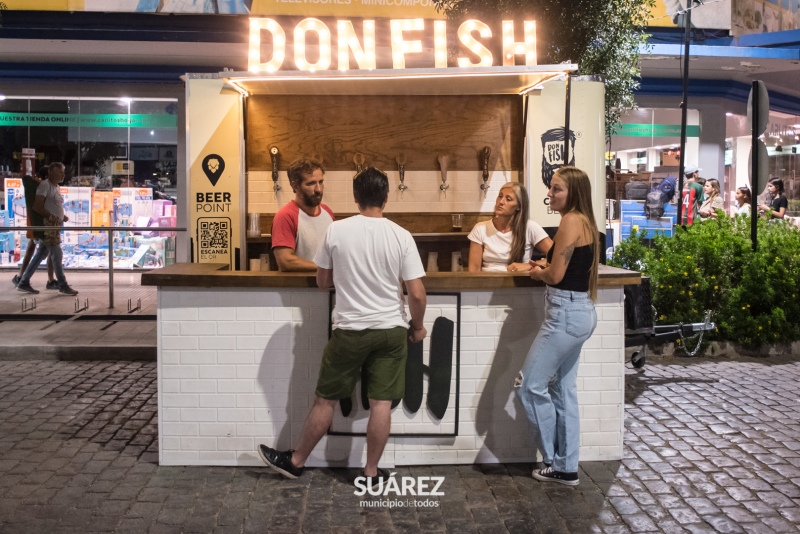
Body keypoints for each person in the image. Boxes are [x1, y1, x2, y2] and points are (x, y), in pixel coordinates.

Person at [258, 167, 427, 488]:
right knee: (381, 404)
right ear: (386, 197)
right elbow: (416, 293)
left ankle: (295, 462)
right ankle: (371, 472)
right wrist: (417, 327)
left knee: (326, 401)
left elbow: (323, 282)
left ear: (355, 197)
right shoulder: (401, 235)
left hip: (350, 330)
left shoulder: (337, 230)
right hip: (391, 330)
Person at [517, 166, 599, 486]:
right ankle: (567, 466)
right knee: (563, 391)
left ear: (573, 193)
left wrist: (537, 271)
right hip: (580, 313)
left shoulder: (570, 220)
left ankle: (552, 460)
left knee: (529, 386)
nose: (550, 194)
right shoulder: (586, 220)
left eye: (557, 189)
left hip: (565, 315)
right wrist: (546, 266)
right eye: (551, 188)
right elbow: (564, 266)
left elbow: (555, 276)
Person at [15, 162, 78, 296]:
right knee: (57, 254)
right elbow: (37, 206)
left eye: (63, 172)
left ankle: (23, 281)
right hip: (49, 226)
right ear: (51, 173)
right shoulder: (45, 186)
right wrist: (53, 217)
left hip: (54, 226)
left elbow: (53, 206)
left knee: (41, 255)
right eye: (60, 172)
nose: (63, 175)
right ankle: (62, 284)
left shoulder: (56, 187)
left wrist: (62, 216)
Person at [467, 183, 552, 272]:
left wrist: (530, 265)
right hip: (488, 283)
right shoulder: (480, 228)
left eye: (508, 199)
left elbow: (558, 257)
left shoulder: (530, 227)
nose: (501, 202)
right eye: (500, 196)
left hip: (520, 283)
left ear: (519, 206)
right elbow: (474, 270)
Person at [271, 157, 334, 271]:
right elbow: (285, 261)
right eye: (311, 183)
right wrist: (325, 268)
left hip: (326, 286)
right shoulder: (285, 216)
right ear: (295, 186)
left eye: (321, 182)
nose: (318, 189)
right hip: (300, 287)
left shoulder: (327, 213)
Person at [12, 165, 55, 288]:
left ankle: (22, 277)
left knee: (40, 250)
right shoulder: (41, 187)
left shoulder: (41, 186)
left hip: (39, 224)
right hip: (41, 224)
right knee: (46, 251)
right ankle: (25, 279)